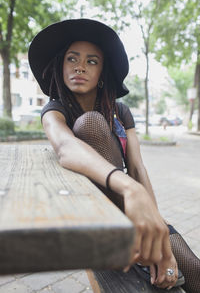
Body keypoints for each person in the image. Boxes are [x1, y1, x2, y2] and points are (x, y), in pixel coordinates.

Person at [28, 18, 200, 292]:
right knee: (90, 123)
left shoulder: (121, 112)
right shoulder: (55, 110)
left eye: (91, 61)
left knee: (194, 269)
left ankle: (147, 236)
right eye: (72, 58)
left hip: (131, 207)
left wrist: (157, 222)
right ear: (61, 66)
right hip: (97, 216)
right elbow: (65, 147)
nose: (80, 66)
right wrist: (130, 188)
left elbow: (137, 167)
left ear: (102, 73)